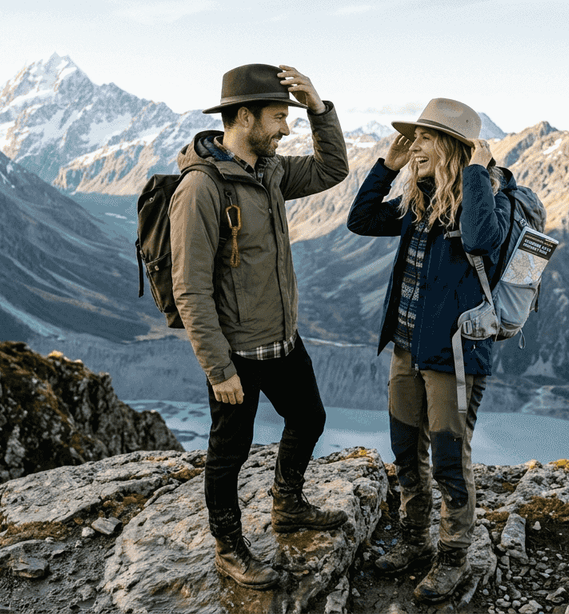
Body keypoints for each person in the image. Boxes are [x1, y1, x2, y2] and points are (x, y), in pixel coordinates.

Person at [169, 63, 350, 589]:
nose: (285, 129)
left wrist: (318, 108)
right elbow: (190, 288)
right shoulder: (201, 188)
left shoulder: (269, 171)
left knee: (309, 418)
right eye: (278, 117)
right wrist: (218, 367)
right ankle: (229, 547)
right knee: (230, 452)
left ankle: (286, 504)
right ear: (244, 117)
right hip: (237, 355)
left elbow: (331, 169)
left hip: (282, 341)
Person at [346, 98, 511, 603]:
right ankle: (415, 540)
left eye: (423, 138)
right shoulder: (420, 202)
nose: (413, 144)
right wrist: (386, 167)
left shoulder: (487, 198)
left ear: (450, 147)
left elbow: (484, 241)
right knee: (404, 451)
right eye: (411, 137)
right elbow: (361, 219)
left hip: (455, 357)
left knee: (447, 459)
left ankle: (454, 555)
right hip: (406, 348)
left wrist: (480, 175)